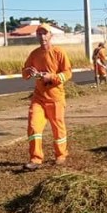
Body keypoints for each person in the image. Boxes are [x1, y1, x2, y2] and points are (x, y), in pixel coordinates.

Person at [21, 23, 72, 170]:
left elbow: (68, 73)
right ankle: (36, 159)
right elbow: (24, 73)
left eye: (45, 33)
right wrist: (28, 72)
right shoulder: (34, 54)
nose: (42, 36)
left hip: (55, 98)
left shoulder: (59, 52)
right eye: (39, 34)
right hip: (38, 97)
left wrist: (51, 77)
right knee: (33, 125)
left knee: (58, 127)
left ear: (50, 35)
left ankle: (61, 154)